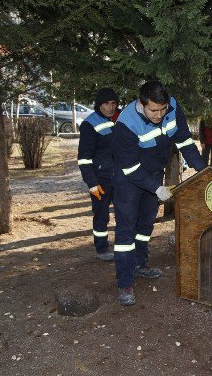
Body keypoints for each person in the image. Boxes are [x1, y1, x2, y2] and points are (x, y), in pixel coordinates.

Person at [112, 80, 205, 306]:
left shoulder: (172, 107)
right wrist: (157, 188)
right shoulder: (126, 123)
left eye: (162, 109)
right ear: (141, 103)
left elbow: (183, 139)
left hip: (153, 173)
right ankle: (125, 283)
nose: (159, 114)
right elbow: (130, 168)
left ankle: (140, 265)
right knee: (126, 230)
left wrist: (203, 170)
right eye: (153, 110)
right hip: (128, 179)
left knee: (145, 226)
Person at [77, 87, 119, 262]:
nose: (110, 107)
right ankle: (101, 248)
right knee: (101, 215)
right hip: (100, 180)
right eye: (106, 104)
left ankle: (123, 245)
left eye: (113, 103)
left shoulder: (119, 120)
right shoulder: (90, 124)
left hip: (119, 177)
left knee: (124, 213)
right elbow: (84, 158)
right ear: (99, 105)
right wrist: (92, 183)